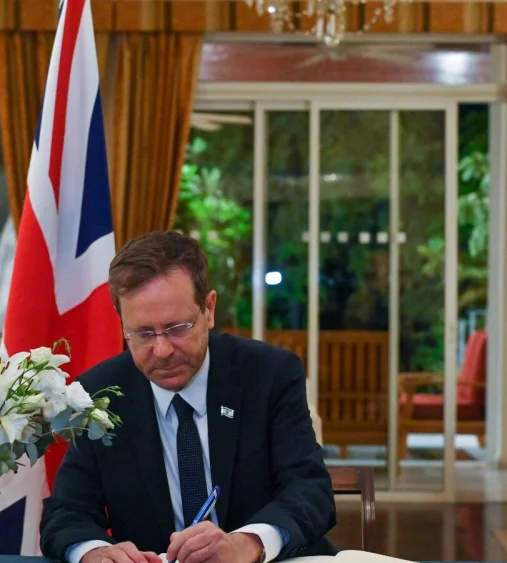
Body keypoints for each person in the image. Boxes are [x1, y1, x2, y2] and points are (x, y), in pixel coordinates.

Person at [39, 231, 337, 563]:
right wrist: (94, 553)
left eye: (177, 328)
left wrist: (249, 543)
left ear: (208, 310)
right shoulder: (101, 393)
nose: (162, 350)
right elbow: (66, 513)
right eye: (143, 333)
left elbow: (311, 490)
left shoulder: (269, 374)